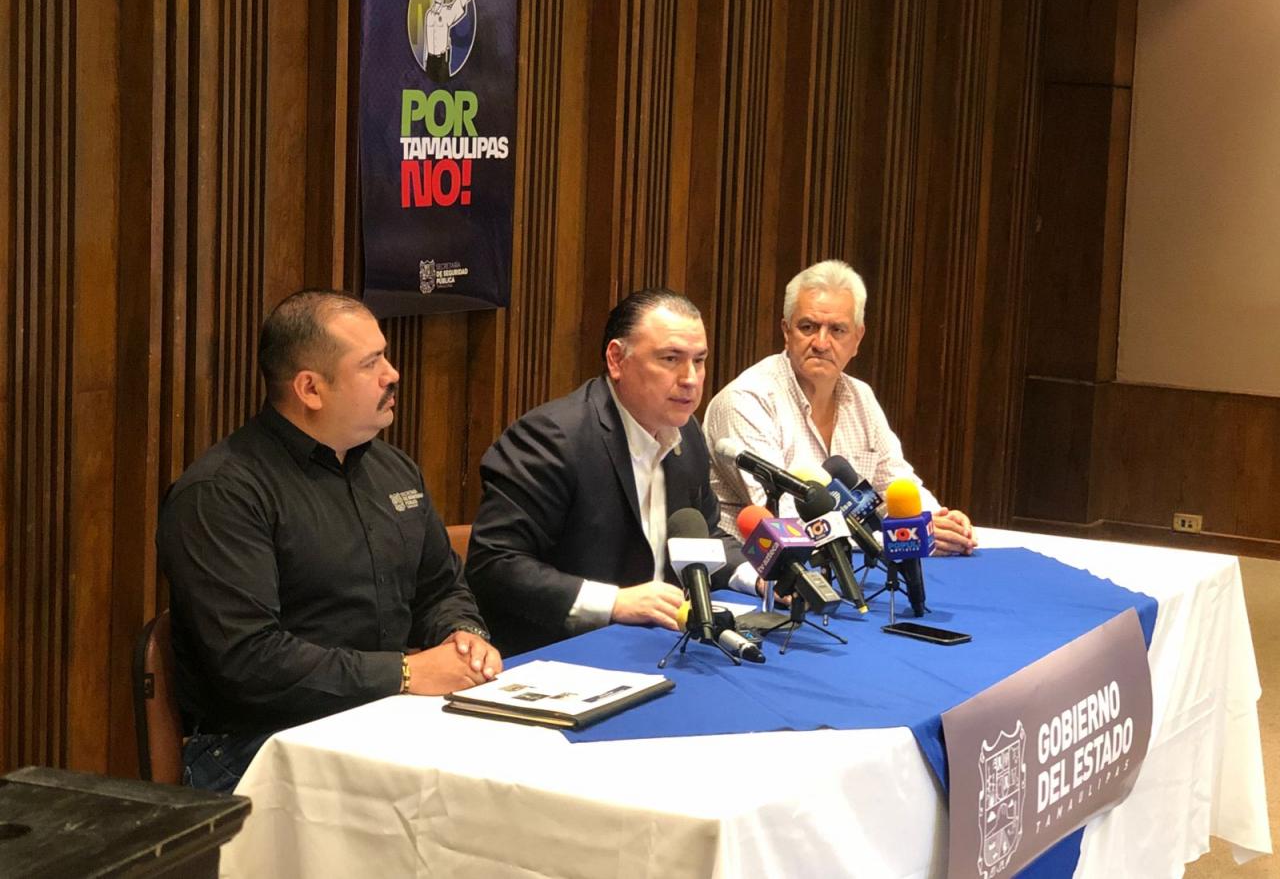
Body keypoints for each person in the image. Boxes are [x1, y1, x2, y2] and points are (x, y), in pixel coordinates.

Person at [157, 290, 500, 793]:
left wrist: (462, 635)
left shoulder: (393, 469)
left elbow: (441, 589)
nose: (392, 374)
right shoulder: (222, 494)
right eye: (370, 363)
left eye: (385, 356)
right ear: (310, 389)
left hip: (380, 716)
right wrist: (405, 674)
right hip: (257, 744)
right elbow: (249, 661)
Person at [465, 289, 759, 655]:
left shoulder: (687, 434)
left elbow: (704, 534)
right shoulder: (554, 438)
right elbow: (495, 565)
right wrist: (614, 602)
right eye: (670, 359)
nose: (690, 378)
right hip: (563, 653)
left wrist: (757, 577)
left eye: (698, 361)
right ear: (617, 359)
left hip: (660, 644)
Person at [703, 260, 977, 555]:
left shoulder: (861, 397)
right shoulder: (747, 399)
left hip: (849, 563)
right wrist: (901, 537)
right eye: (808, 327)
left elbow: (895, 482)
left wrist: (936, 521)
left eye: (837, 330)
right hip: (757, 570)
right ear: (786, 331)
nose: (821, 343)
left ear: (857, 339)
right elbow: (787, 518)